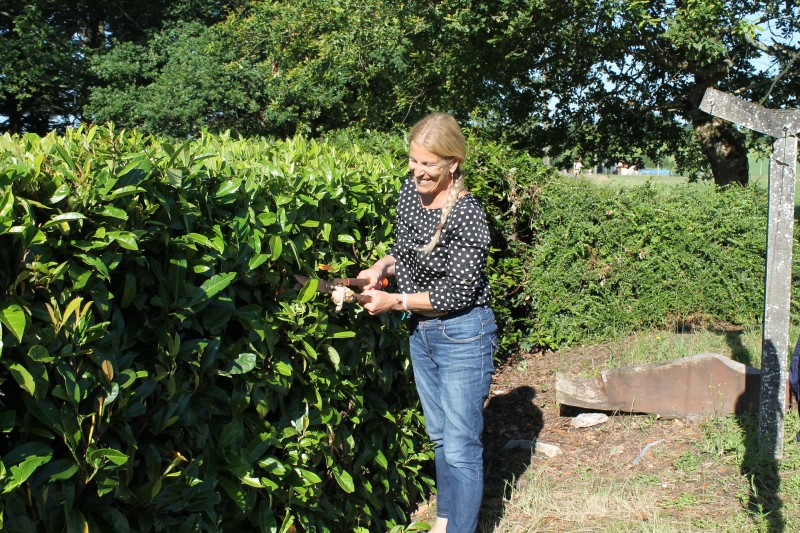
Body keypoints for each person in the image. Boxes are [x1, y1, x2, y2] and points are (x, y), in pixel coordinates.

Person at [357, 112, 497, 533]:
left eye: (429, 164)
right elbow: (405, 252)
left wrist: (394, 301)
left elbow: (457, 292)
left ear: (453, 163)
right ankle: (445, 520)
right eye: (414, 160)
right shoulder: (409, 193)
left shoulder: (468, 214)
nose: (418, 171)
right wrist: (379, 268)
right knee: (440, 437)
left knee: (461, 447)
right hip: (423, 332)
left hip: (464, 333)